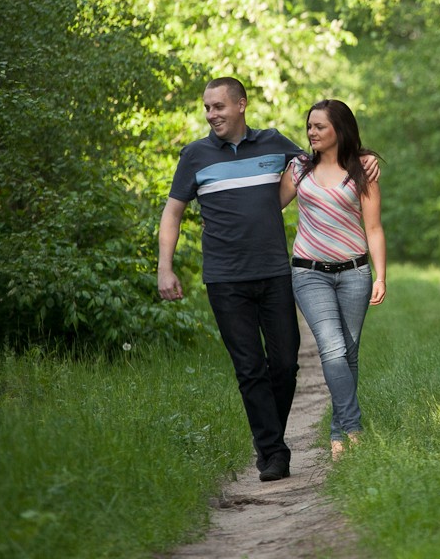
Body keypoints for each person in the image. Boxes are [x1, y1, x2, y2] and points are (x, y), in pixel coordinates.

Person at [157, 78, 376, 482]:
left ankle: (270, 435)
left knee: (285, 363)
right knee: (249, 368)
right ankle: (273, 451)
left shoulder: (275, 144)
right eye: (207, 108)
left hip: (276, 272)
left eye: (219, 106)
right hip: (225, 279)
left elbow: (324, 156)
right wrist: (164, 267)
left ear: (241, 105)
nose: (211, 114)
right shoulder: (195, 155)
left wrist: (366, 156)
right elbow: (173, 212)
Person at [280, 99, 386, 461]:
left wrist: (381, 276)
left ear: (339, 130)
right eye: (309, 126)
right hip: (309, 273)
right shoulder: (298, 169)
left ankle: (337, 434)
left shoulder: (362, 170)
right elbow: (268, 204)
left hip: (354, 272)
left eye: (320, 126)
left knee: (349, 353)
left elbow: (373, 227)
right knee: (333, 349)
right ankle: (354, 430)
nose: (312, 132)